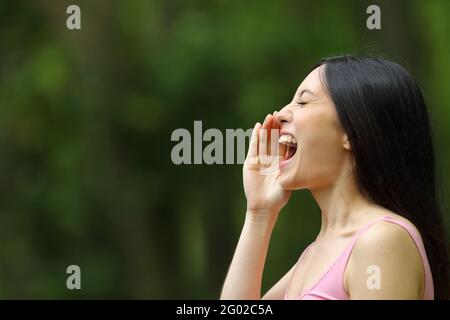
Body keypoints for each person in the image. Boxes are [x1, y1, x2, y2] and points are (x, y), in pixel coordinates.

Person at [220, 55, 449, 300]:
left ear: (352, 131)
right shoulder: (314, 256)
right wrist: (259, 213)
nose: (280, 114)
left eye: (303, 102)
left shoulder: (381, 241)